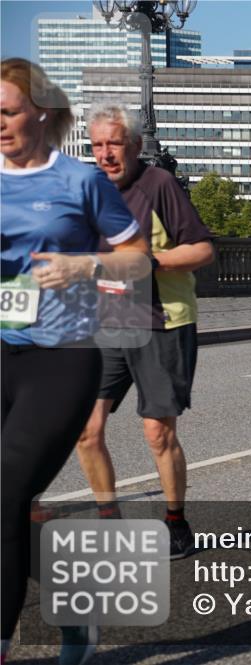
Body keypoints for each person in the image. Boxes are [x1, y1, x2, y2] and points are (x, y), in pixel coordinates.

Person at [1, 58, 149, 664]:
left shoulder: (79, 181)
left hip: (61, 358)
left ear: (40, 112)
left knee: (6, 490)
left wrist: (83, 265)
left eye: (7, 112)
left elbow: (137, 257)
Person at [75, 103, 214, 559]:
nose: (106, 154)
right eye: (97, 145)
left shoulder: (159, 185)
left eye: (114, 143)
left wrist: (150, 261)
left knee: (157, 432)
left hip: (163, 321)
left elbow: (201, 250)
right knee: (85, 430)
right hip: (109, 323)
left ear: (134, 145)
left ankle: (175, 521)